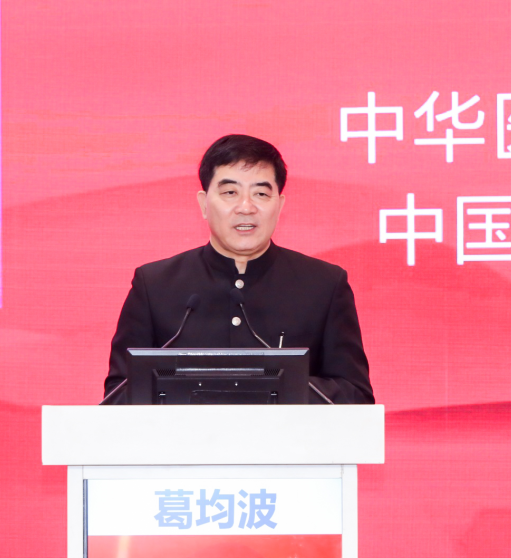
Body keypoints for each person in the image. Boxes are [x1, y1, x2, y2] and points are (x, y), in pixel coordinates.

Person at [103, 134, 373, 404]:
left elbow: (356, 396)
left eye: (261, 194)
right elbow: (117, 397)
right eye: (230, 193)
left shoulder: (324, 285)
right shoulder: (154, 285)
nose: (246, 207)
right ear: (203, 204)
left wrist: (278, 387)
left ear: (279, 206)